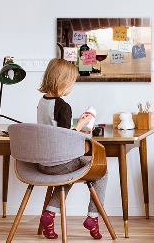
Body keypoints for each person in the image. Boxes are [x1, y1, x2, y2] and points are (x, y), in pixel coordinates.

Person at [37, 58, 107, 240]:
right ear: (64, 82)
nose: (72, 86)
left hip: (43, 163)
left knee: (68, 174)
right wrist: (81, 126)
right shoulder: (63, 106)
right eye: (72, 82)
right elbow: (64, 138)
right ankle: (93, 217)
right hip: (60, 163)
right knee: (102, 171)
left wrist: (76, 126)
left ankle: (49, 215)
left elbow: (54, 131)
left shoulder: (42, 102)